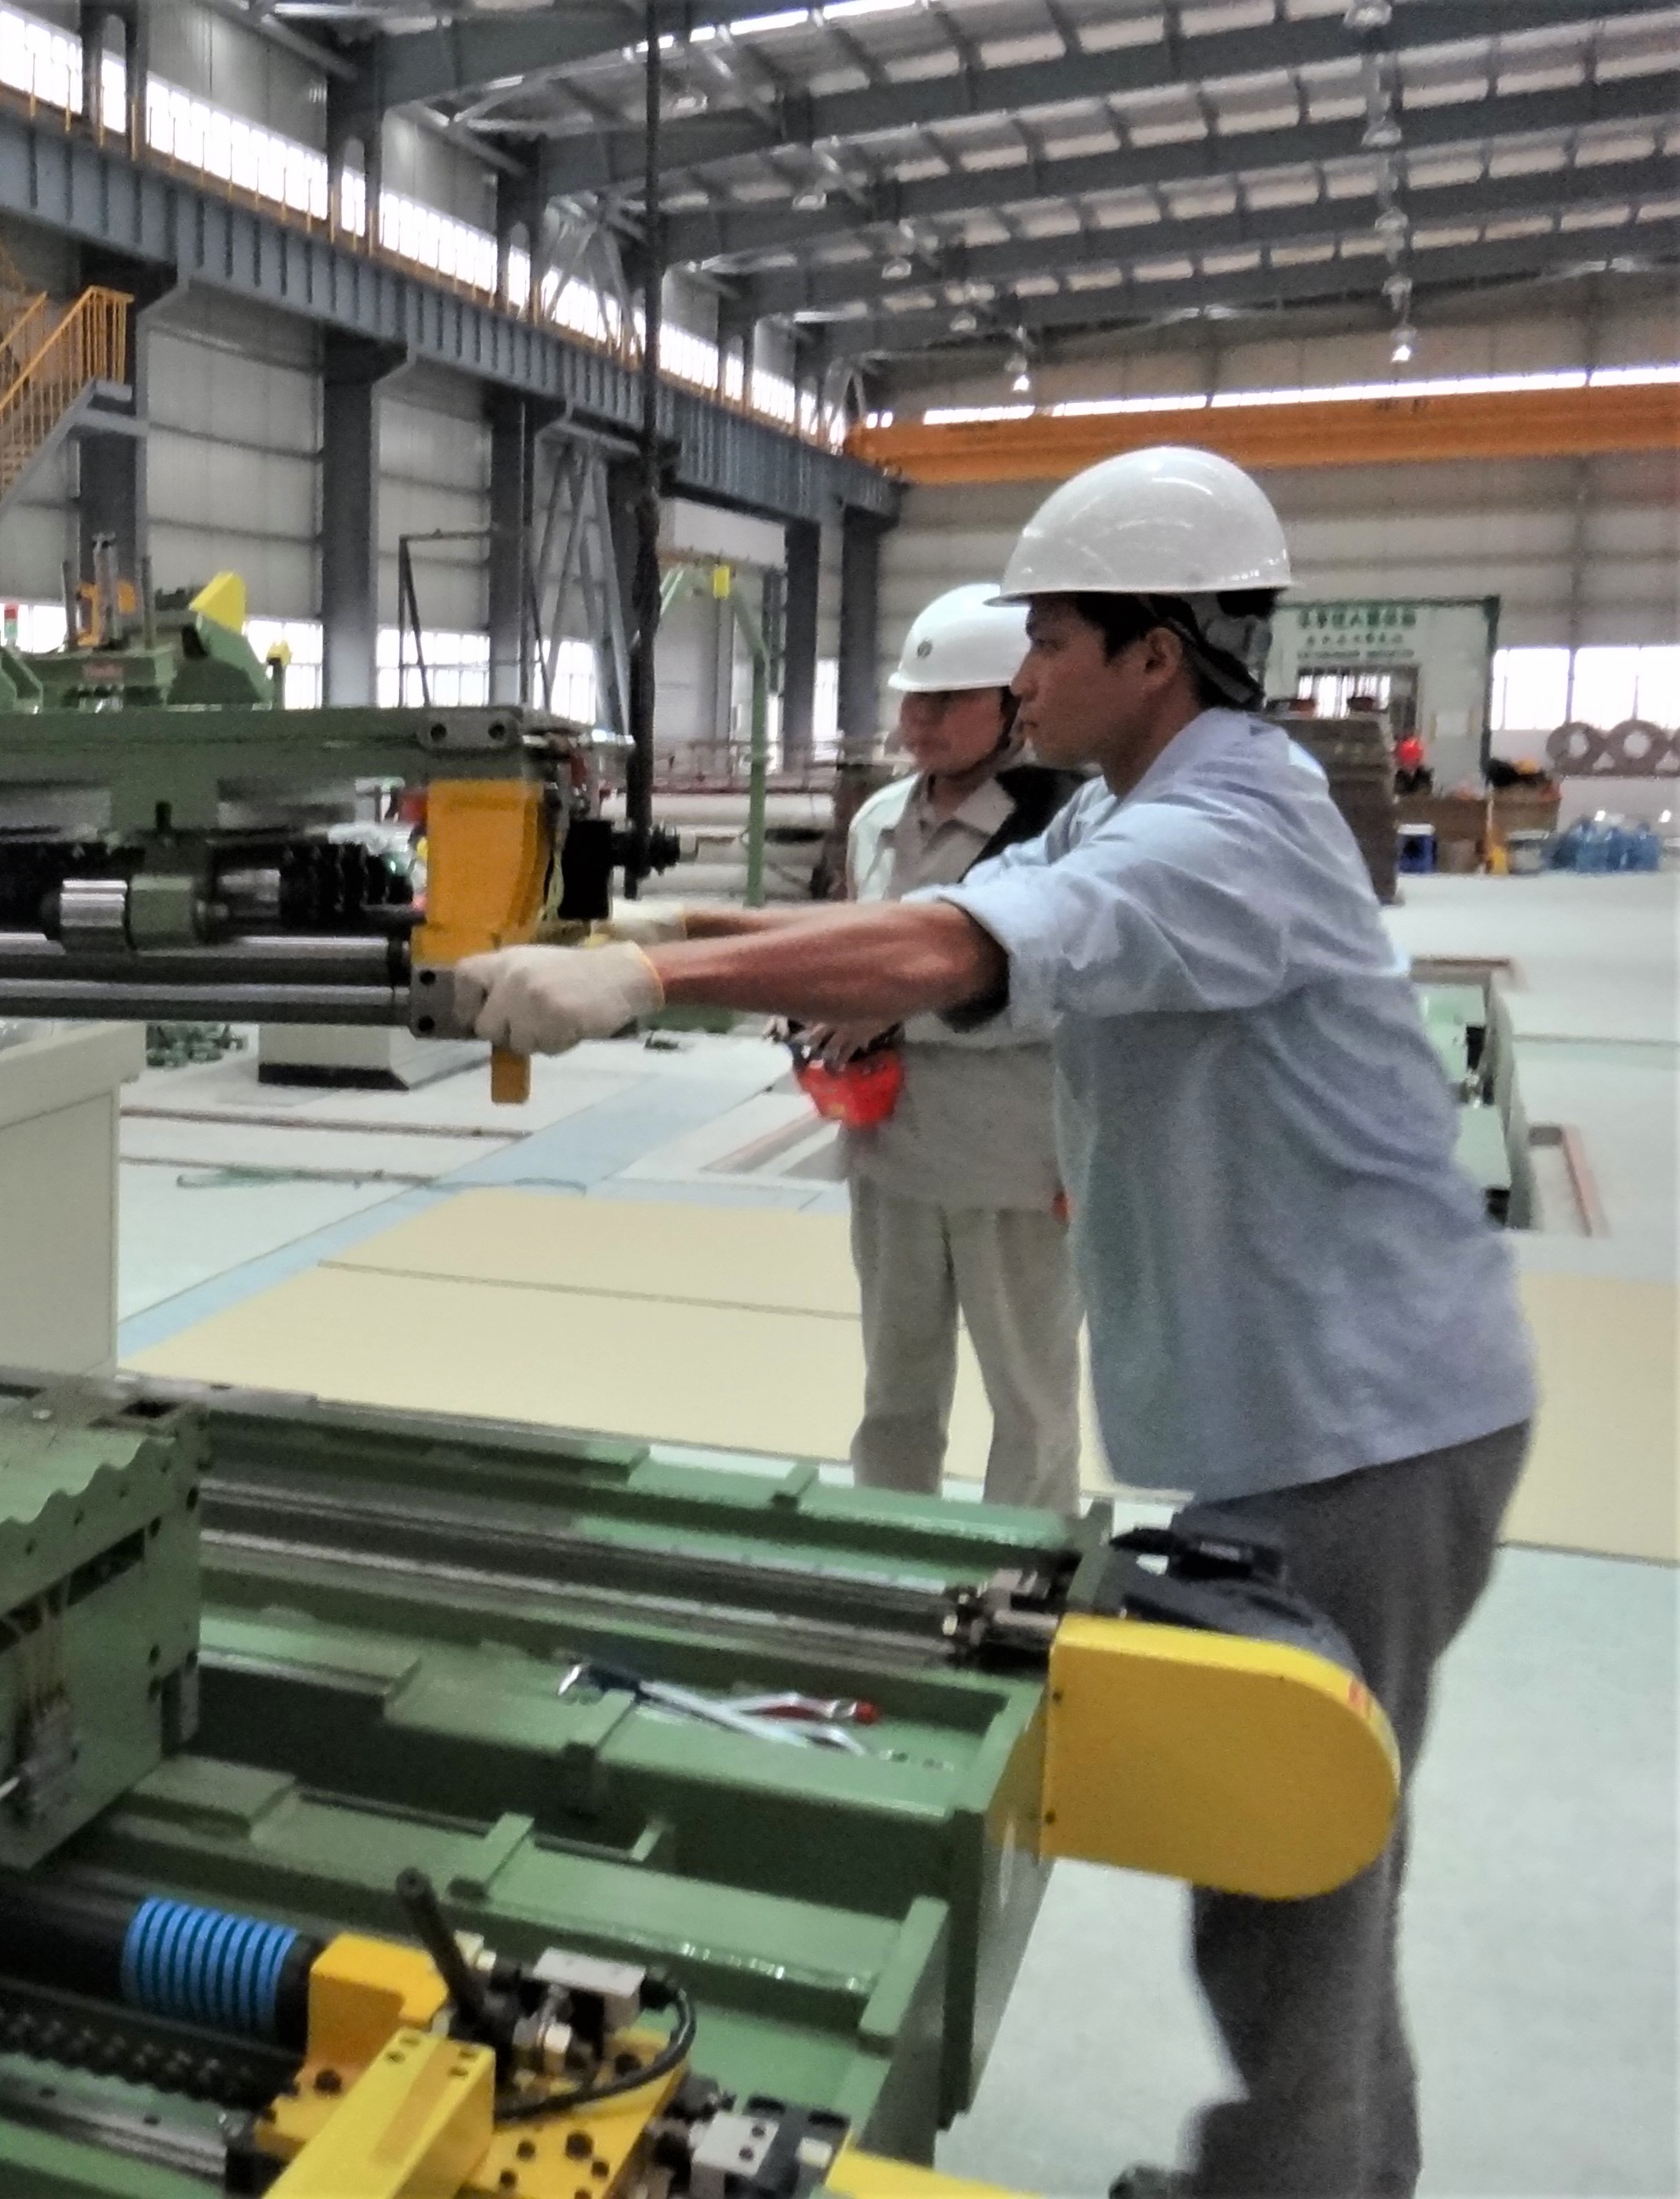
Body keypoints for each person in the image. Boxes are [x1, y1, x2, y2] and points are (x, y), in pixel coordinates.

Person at [454, 445, 1535, 2199]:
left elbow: (952, 955)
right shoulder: (1140, 798)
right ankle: (1298, 2171)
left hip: (1369, 1419)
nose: (1017, 669)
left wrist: (646, 982)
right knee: (1288, 1858)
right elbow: (914, 915)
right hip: (1329, 1399)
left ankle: (1302, 2188)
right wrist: (666, 921)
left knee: (1299, 1862)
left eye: (1046, 637)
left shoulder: (1214, 837)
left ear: (1155, 652)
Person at [620, 584, 1086, 1512]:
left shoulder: (1060, 825)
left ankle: (1027, 1569)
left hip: (1016, 1166)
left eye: (948, 701)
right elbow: (855, 940)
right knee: (895, 1390)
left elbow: (1063, 993)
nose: (921, 722)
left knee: (1030, 1400)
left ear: (1012, 704)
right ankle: (888, 1547)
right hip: (891, 1151)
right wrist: (807, 997)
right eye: (913, 700)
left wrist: (888, 1008)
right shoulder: (880, 818)